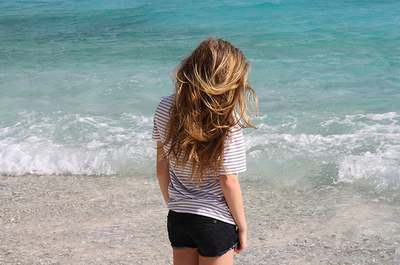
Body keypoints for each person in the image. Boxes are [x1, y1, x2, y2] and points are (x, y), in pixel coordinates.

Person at [152, 36, 258, 265]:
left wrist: (177, 206)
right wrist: (243, 227)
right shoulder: (227, 120)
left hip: (178, 218)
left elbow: (162, 170)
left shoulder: (164, 108)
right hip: (214, 221)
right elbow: (228, 180)